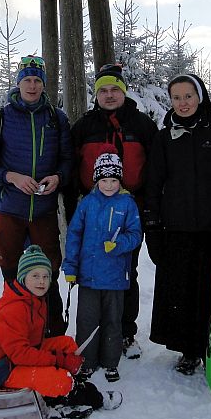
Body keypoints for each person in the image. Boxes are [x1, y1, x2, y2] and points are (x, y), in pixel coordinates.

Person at [143, 73, 211, 375]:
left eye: (188, 96)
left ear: (200, 97)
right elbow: (153, 184)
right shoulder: (163, 137)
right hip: (176, 230)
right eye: (176, 97)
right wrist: (153, 227)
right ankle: (188, 350)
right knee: (181, 294)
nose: (183, 103)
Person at [0, 55, 73, 336]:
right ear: (18, 84)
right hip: (9, 211)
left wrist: (58, 178)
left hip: (43, 212)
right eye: (27, 80)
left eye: (37, 80)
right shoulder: (0, 118)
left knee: (47, 275)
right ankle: (14, 333)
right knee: (11, 274)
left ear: (44, 85)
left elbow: (67, 160)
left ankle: (53, 333)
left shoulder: (56, 118)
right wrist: (11, 177)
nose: (32, 86)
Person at [65, 63, 158, 359]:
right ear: (96, 94)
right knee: (91, 271)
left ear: (123, 91)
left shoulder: (141, 124)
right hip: (91, 213)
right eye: (103, 90)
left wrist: (149, 207)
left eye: (114, 89)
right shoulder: (84, 126)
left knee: (126, 272)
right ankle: (95, 330)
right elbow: (69, 168)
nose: (108, 95)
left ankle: (125, 332)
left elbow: (156, 170)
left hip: (129, 213)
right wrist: (72, 207)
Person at [0, 245, 121, 419]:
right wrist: (57, 360)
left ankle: (63, 388)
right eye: (35, 276)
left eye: (45, 276)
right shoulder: (14, 310)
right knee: (60, 379)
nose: (41, 281)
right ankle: (66, 397)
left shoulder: (34, 299)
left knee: (67, 344)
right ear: (22, 278)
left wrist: (58, 356)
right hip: (6, 367)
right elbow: (19, 355)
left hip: (26, 352)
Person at [63, 148, 143, 383]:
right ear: (97, 180)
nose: (109, 185)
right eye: (104, 180)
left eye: (113, 180)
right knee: (87, 321)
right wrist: (70, 268)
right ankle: (86, 362)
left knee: (112, 321)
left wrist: (118, 244)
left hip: (115, 277)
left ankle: (110, 362)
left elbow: (136, 234)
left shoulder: (127, 203)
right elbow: (74, 236)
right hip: (88, 276)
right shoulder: (87, 203)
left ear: (120, 180)